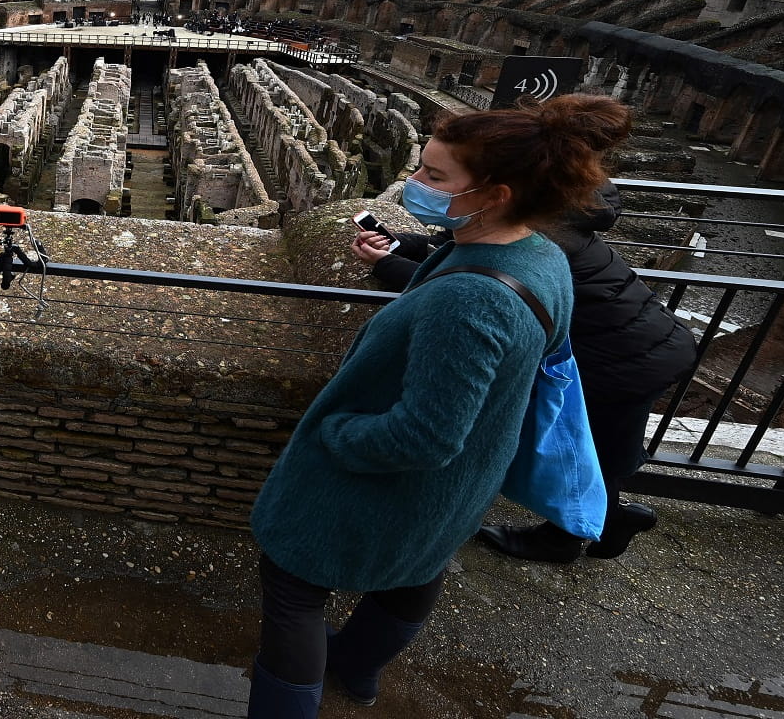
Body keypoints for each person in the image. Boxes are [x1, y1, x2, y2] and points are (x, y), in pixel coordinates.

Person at [246, 94, 631, 718]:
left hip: (385, 477)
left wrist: (337, 433)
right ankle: (357, 668)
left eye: (433, 175)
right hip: (460, 483)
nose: (413, 184)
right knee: (418, 565)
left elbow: (423, 437)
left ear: (494, 194)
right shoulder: (541, 256)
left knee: (294, 589)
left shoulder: (473, 303)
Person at [355, 180, 697, 562]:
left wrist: (387, 265)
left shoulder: (539, 241)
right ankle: (615, 521)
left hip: (621, 359)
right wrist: (400, 242)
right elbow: (458, 247)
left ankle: (563, 540)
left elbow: (471, 288)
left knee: (576, 450)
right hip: (647, 345)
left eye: (436, 175)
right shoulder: (548, 214)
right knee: (599, 448)